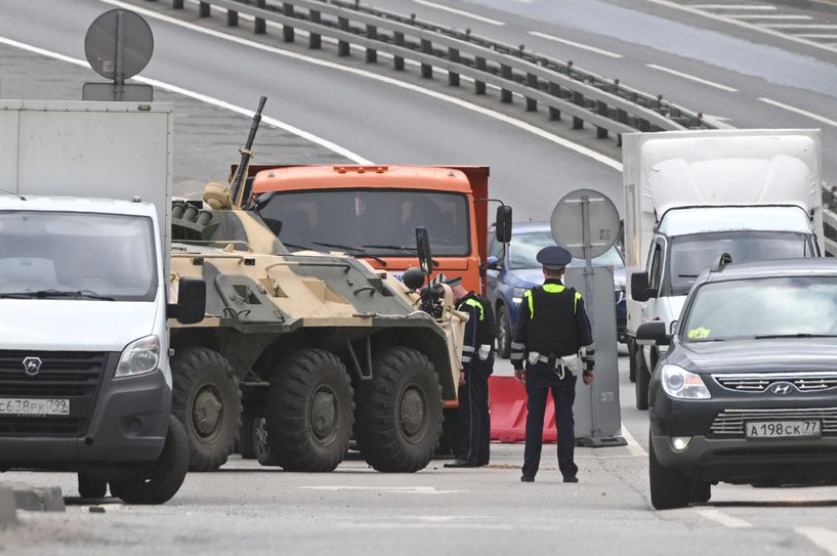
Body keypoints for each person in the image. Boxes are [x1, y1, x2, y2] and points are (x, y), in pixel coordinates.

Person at [510, 246, 595, 483]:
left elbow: (519, 335)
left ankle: (529, 472)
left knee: (534, 419)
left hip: (537, 367)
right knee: (565, 420)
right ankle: (568, 473)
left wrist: (518, 365)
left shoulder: (530, 298)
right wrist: (589, 367)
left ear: (544, 270)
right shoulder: (574, 299)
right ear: (564, 271)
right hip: (565, 370)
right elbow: (585, 337)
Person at [443, 276, 496, 468]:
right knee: (481, 409)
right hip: (482, 363)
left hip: (472, 366)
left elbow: (468, 340)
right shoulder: (478, 302)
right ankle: (481, 455)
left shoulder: (468, 306)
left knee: (470, 410)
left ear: (454, 291)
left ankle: (468, 456)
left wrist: (462, 368)